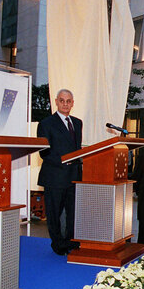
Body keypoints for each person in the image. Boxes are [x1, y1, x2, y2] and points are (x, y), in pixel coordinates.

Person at [37, 89, 83, 256]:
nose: (65, 104)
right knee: (54, 213)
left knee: (73, 213)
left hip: (74, 177)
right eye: (62, 100)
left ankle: (71, 241)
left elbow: (77, 149)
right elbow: (44, 152)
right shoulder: (46, 123)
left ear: (72, 103)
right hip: (55, 176)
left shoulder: (77, 123)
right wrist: (65, 160)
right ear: (56, 101)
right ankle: (58, 245)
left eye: (68, 101)